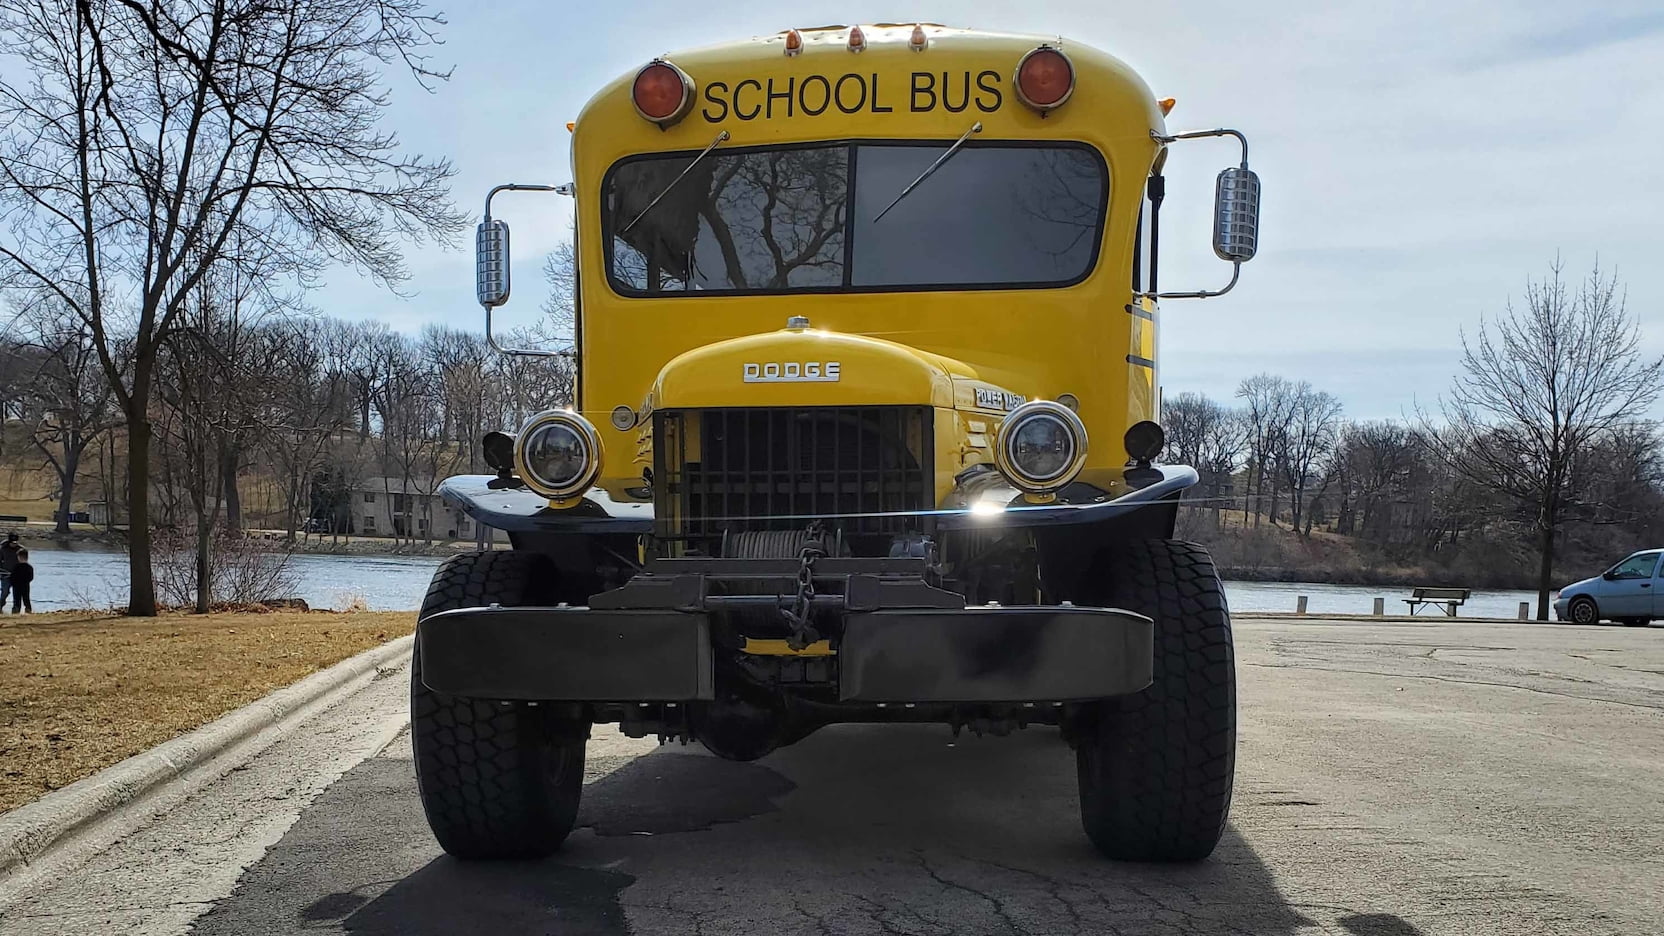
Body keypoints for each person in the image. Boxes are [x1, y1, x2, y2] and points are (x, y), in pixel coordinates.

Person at [9, 547, 31, 614]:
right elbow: (31, 577)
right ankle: (28, 610)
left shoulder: (16, 567)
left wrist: (12, 583)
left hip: (16, 586)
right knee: (26, 599)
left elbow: (12, 577)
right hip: (26, 586)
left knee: (16, 600)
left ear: (19, 557)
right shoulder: (29, 567)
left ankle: (16, 611)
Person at [0, 532, 19, 608]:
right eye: (12, 543)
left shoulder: (20, 549)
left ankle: (16, 608)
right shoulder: (2, 549)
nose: (14, 544)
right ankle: (1, 605)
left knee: (16, 592)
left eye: (15, 543)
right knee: (5, 592)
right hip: (5, 575)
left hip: (17, 575)